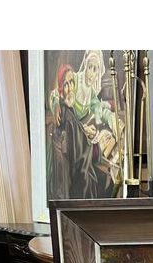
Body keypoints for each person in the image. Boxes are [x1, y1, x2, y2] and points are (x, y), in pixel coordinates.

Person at [48, 61, 117, 199]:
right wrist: (99, 148)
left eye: (71, 83)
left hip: (70, 171)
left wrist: (82, 129)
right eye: (65, 84)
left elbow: (73, 134)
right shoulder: (66, 113)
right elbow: (81, 154)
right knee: (107, 180)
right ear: (60, 88)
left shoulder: (66, 107)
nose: (69, 88)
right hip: (75, 177)